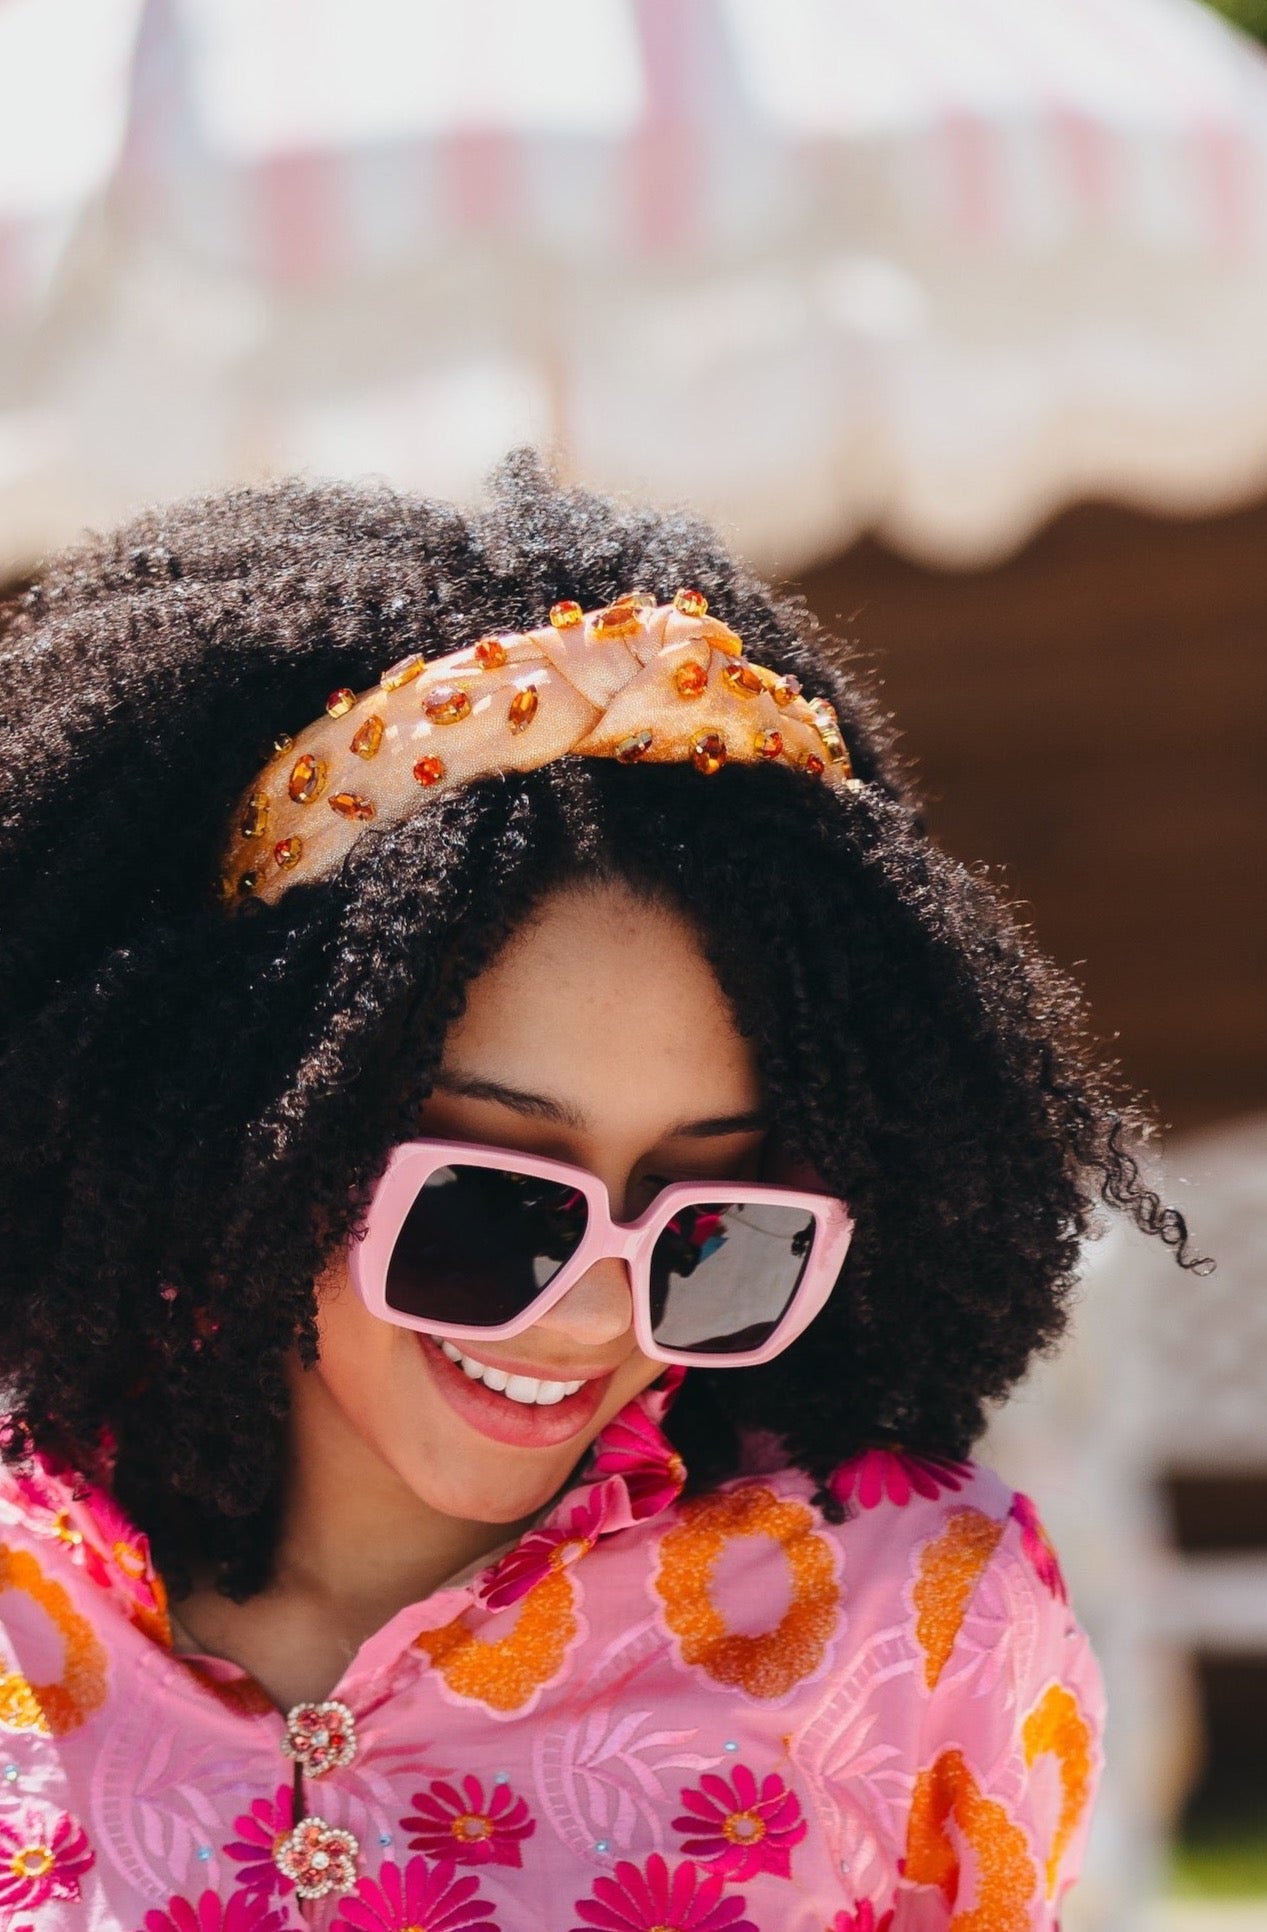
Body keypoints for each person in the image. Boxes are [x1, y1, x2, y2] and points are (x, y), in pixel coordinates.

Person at [0, 455, 1201, 1932]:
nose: (596, 1306)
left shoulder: (920, 1619)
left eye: (715, 1225)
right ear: (234, 1135)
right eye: (494, 1202)